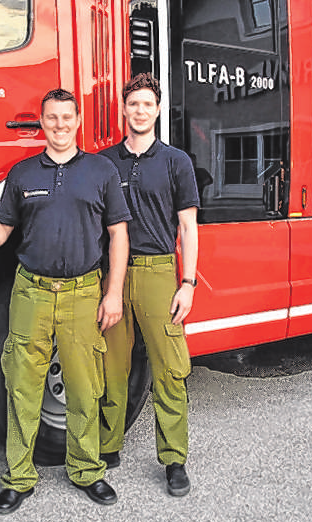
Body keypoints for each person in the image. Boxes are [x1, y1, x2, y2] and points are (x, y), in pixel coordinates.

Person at [0, 88, 131, 514]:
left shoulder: (100, 171)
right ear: (41, 123)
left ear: (78, 120)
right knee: (22, 387)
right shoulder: (23, 173)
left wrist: (113, 292)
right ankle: (19, 478)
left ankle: (87, 470)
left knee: (85, 389)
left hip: (84, 294)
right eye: (51, 118)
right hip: (31, 292)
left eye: (67, 117)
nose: (60, 125)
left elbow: (118, 233)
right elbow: (2, 229)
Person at [98, 73, 200, 497]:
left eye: (147, 104)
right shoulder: (103, 162)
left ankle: (174, 459)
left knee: (170, 370)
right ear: (123, 109)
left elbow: (188, 228)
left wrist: (188, 282)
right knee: (110, 365)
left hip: (160, 273)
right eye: (133, 104)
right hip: (115, 274)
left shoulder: (176, 161)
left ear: (157, 110)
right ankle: (107, 446)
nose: (139, 111)